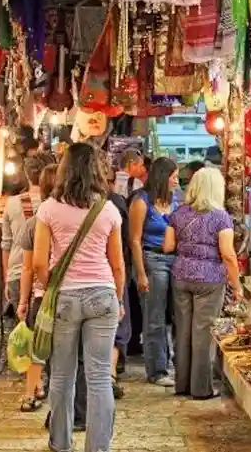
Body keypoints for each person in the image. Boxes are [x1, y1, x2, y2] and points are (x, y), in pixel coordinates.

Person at [33, 143, 125, 452]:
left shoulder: (48, 208)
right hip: (102, 295)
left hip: (65, 298)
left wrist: (52, 288)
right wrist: (119, 299)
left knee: (62, 374)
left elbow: (38, 263)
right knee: (99, 377)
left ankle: (60, 442)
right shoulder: (108, 209)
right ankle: (97, 447)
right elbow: (117, 264)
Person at [163, 168, 243, 399]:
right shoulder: (220, 217)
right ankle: (201, 388)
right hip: (210, 279)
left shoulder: (178, 214)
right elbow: (227, 254)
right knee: (204, 333)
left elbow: (168, 246)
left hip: (181, 276)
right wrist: (236, 285)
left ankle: (182, 384)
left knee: (183, 331)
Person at [129, 157, 179, 386]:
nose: (177, 180)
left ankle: (174, 362)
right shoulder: (141, 203)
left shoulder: (175, 201)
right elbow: (135, 240)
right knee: (154, 316)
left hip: (175, 259)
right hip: (152, 258)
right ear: (163, 177)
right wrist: (140, 273)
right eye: (174, 176)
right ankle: (157, 369)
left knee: (174, 316)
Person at [16, 164, 58, 412]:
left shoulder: (35, 222)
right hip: (64, 292)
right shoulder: (73, 217)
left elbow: (28, 267)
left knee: (37, 348)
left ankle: (31, 394)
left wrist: (23, 300)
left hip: (42, 296)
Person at [2, 156, 49, 313]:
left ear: (26, 175)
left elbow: (6, 244)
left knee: (22, 330)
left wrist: (6, 278)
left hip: (16, 271)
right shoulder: (53, 205)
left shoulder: (12, 203)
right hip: (45, 276)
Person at [106, 170, 131, 399]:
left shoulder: (55, 206)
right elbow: (119, 256)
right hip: (107, 277)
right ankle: (110, 374)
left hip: (73, 284)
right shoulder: (112, 205)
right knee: (116, 327)